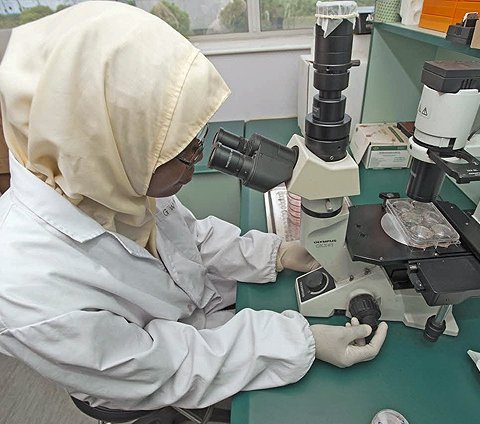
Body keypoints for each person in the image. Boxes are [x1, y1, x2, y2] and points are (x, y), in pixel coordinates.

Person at [0, 1, 388, 414]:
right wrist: (303, 342)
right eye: (181, 153)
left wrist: (277, 252)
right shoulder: (25, 288)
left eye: (195, 139)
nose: (196, 162)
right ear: (107, 148)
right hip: (160, 385)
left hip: (204, 318)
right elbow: (167, 366)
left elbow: (192, 238)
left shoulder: (105, 178)